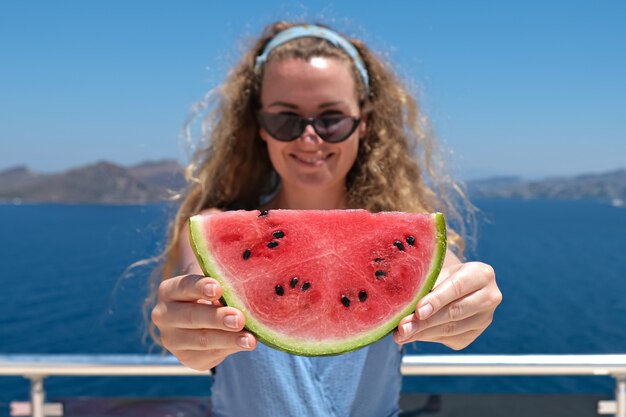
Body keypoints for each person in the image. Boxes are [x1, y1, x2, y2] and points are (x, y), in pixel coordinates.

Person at [149, 21, 502, 417]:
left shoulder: (406, 228)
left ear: (363, 123)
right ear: (259, 127)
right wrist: (189, 332)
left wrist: (466, 299)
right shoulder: (210, 224)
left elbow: (441, 273)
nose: (309, 138)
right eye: (285, 119)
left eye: (332, 118)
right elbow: (200, 289)